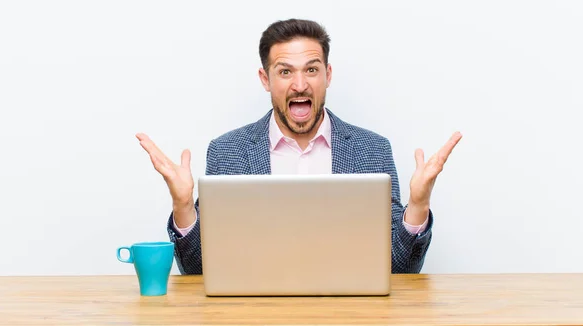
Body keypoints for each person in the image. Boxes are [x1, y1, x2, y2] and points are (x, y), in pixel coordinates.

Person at [136, 19, 462, 274]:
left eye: (311, 69)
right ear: (265, 79)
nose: (300, 84)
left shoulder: (372, 150)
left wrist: (418, 205)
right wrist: (182, 207)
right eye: (285, 71)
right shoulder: (227, 152)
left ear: (327, 74)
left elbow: (400, 268)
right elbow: (199, 272)